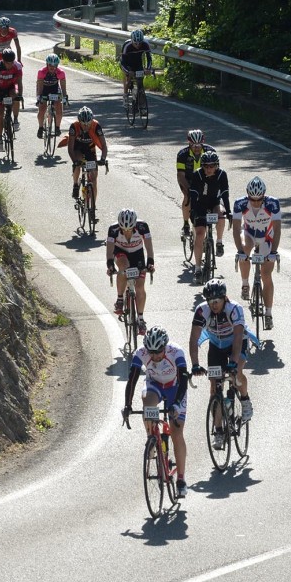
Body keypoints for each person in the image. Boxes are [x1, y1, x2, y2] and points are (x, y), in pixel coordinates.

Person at [122, 326, 208, 498]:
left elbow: (183, 380)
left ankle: (181, 479)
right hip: (154, 386)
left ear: (165, 347)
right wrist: (127, 405)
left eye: (158, 352)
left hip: (175, 389)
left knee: (177, 433)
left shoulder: (176, 352)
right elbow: (132, 379)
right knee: (148, 403)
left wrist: (176, 404)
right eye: (151, 352)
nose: (154, 356)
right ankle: (152, 439)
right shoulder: (141, 353)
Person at [188, 280, 257, 450]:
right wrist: (195, 364)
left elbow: (239, 337)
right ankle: (218, 432)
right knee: (214, 387)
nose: (214, 305)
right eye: (210, 301)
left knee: (236, 373)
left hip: (236, 342)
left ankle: (245, 400)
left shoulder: (234, 309)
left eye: (217, 301)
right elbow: (194, 339)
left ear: (224, 298)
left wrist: (233, 362)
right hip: (216, 345)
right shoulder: (201, 311)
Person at [232, 176, 283, 330]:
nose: (255, 202)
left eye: (258, 200)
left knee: (266, 275)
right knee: (245, 248)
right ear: (247, 195)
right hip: (249, 234)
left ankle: (268, 314)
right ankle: (245, 283)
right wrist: (240, 252)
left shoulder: (273, 203)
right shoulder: (239, 203)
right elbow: (235, 229)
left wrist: (273, 252)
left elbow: (278, 229)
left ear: (264, 195)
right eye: (252, 199)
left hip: (267, 237)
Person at [106, 207, 155, 335]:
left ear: (134, 226)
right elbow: (110, 248)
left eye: (129, 230)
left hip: (137, 254)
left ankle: (140, 319)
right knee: (123, 266)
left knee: (140, 287)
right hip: (120, 252)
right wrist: (110, 263)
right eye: (124, 230)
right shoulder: (113, 229)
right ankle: (120, 299)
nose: (127, 232)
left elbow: (148, 245)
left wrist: (150, 261)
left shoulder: (142, 226)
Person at [187, 150, 231, 283]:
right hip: (200, 204)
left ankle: (219, 242)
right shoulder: (197, 174)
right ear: (202, 166)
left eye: (212, 166)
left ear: (217, 166)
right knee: (200, 234)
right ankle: (198, 268)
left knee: (221, 215)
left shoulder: (222, 174)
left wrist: (228, 211)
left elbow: (225, 194)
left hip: (214, 203)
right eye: (206, 166)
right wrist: (194, 210)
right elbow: (193, 195)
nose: (209, 169)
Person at [176, 129, 217, 237]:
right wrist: (189, 190)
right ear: (189, 143)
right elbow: (180, 175)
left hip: (206, 179)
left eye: (199, 145)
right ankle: (185, 225)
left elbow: (216, 173)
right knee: (187, 198)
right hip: (188, 180)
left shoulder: (210, 151)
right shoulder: (182, 154)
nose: (196, 147)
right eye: (193, 145)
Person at [66, 106, 107, 208]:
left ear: (91, 121)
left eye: (88, 124)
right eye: (83, 124)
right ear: (79, 121)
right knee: (78, 161)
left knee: (94, 179)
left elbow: (104, 145)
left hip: (90, 150)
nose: (85, 126)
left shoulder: (96, 126)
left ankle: (93, 207)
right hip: (78, 148)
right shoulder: (74, 127)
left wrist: (102, 159)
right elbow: (70, 148)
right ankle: (76, 184)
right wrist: (74, 161)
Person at [0, 48, 23, 151]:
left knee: (16, 96)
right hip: (0, 89)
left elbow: (19, 82)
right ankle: (0, 139)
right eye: (7, 63)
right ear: (3, 61)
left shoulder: (17, 66)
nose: (10, 65)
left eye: (11, 62)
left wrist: (20, 95)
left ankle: (15, 120)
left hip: (11, 87)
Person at [35, 54, 68, 139]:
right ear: (47, 64)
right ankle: (40, 128)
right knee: (42, 108)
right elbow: (39, 87)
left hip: (55, 88)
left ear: (57, 65)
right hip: (44, 88)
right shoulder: (41, 72)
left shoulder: (61, 73)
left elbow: (63, 88)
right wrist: (39, 97)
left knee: (59, 107)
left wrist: (65, 98)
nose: (52, 67)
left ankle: (57, 127)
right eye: (50, 65)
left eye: (54, 66)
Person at [119, 29, 153, 104]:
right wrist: (128, 71)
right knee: (128, 79)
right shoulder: (127, 45)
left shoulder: (145, 44)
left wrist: (148, 69)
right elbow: (122, 62)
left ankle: (141, 104)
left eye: (139, 43)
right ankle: (125, 96)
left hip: (138, 63)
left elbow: (149, 58)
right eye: (135, 43)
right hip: (127, 64)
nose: (138, 45)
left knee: (140, 81)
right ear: (132, 40)